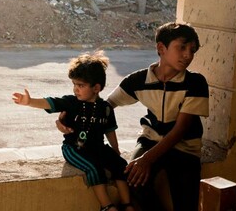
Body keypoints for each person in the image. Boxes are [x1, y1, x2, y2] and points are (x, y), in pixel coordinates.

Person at [57, 22, 209, 211]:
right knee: (132, 179)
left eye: (193, 50)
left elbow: (180, 130)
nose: (188, 55)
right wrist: (69, 116)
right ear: (161, 48)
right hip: (150, 141)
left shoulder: (196, 83)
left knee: (186, 200)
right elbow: (104, 105)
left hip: (185, 149)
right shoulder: (138, 80)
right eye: (182, 47)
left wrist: (146, 160)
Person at [12, 51, 134, 211]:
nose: (76, 89)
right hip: (74, 148)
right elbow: (51, 103)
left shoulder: (105, 108)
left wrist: (116, 150)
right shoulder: (72, 102)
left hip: (98, 148)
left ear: (96, 87)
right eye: (74, 84)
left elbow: (110, 130)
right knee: (94, 168)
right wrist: (29, 102)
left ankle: (127, 204)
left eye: (81, 85)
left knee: (121, 165)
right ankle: (107, 206)